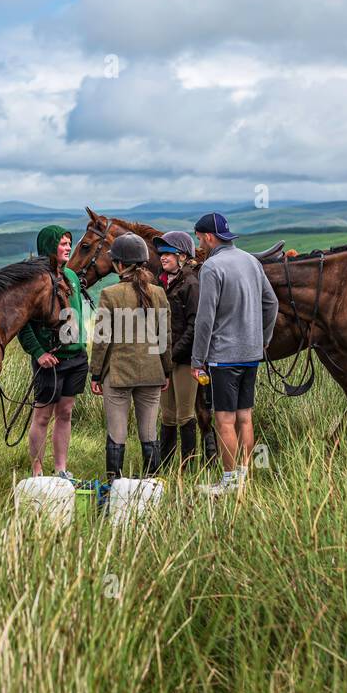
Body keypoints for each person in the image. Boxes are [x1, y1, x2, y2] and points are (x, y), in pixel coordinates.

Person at [190, 212, 278, 495]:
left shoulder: (212, 267)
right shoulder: (251, 261)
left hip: (223, 356)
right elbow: (272, 303)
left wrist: (196, 359)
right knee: (245, 417)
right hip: (251, 353)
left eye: (199, 238)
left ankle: (229, 483)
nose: (199, 243)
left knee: (224, 420)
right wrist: (264, 339)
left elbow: (205, 319)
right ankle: (243, 476)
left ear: (209, 237)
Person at [88, 234, 172, 480]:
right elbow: (165, 337)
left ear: (120, 265)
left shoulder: (109, 294)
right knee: (149, 432)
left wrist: (95, 373)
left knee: (117, 433)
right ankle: (153, 485)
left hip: (117, 374)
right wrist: (165, 370)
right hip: (152, 372)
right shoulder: (158, 293)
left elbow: (102, 339)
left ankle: (114, 484)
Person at [18, 225, 89, 479]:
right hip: (50, 359)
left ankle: (61, 469)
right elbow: (22, 323)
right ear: (49, 247)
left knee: (66, 412)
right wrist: (38, 353)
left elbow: (77, 314)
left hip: (76, 356)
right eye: (62, 243)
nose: (68, 247)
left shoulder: (71, 275)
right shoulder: (35, 280)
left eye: (69, 243)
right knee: (43, 414)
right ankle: (37, 470)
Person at [152, 231, 201, 466]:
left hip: (184, 359)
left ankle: (189, 467)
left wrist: (173, 355)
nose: (163, 257)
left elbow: (195, 325)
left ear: (182, 256)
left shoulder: (191, 283)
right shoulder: (158, 283)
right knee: (168, 415)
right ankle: (165, 465)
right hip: (164, 358)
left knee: (184, 415)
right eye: (161, 253)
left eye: (168, 253)